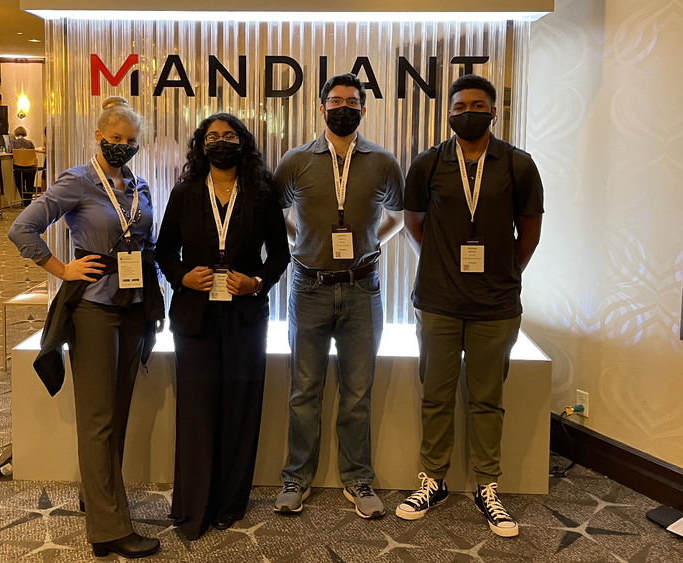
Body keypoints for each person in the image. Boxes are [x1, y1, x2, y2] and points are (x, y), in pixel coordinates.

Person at [8, 96, 165, 558]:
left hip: (134, 307)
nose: (123, 147)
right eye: (115, 139)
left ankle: (96, 497)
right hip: (94, 308)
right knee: (98, 419)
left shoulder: (138, 185)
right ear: (98, 137)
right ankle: (109, 529)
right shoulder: (77, 181)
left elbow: (145, 241)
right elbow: (22, 229)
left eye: (130, 141)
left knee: (117, 412)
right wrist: (62, 269)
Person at [397, 74, 544, 538]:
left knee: (487, 398)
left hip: (496, 304)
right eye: (460, 106)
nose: (468, 111)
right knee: (436, 395)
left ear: (493, 112)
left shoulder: (518, 165)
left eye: (477, 105)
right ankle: (432, 480)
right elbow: (413, 223)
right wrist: (443, 265)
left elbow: (530, 231)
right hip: (439, 300)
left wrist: (504, 272)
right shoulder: (427, 163)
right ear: (449, 113)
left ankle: (487, 485)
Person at [273, 73, 404, 519]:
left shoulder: (383, 162)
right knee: (303, 389)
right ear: (321, 107)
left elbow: (399, 214)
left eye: (352, 101)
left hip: (363, 288)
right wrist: (300, 239)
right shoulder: (296, 161)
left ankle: (358, 479)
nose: (343, 107)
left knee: (357, 391)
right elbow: (277, 211)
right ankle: (296, 477)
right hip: (308, 286)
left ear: (363, 110)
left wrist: (375, 241)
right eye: (335, 100)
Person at [156, 113, 290, 540]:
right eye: (212, 136)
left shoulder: (262, 194)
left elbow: (280, 257)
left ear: (243, 143)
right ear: (201, 144)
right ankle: (194, 507)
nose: (220, 142)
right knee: (196, 411)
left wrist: (257, 283)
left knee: (240, 408)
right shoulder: (184, 192)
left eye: (228, 136)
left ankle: (230, 502)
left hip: (245, 314)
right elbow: (163, 251)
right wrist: (181, 277)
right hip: (195, 316)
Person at [11, 126, 38, 204]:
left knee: (19, 181)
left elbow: (10, 151)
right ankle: (28, 199)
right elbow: (33, 153)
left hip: (18, 168)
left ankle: (23, 198)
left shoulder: (13, 142)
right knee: (30, 182)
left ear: (16, 133)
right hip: (30, 167)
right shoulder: (30, 143)